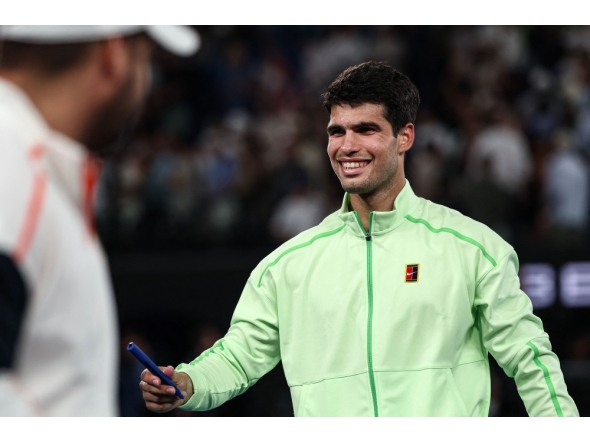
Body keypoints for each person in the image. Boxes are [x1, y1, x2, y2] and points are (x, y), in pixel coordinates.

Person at [139, 61, 578, 416]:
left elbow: (530, 361)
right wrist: (188, 382)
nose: (347, 145)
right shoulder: (288, 265)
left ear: (404, 136)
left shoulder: (472, 248)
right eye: (337, 131)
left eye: (365, 129)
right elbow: (237, 356)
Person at [0, 25, 199, 416]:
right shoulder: (12, 172)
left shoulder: (29, 167)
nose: (146, 84)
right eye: (146, 59)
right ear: (114, 54)